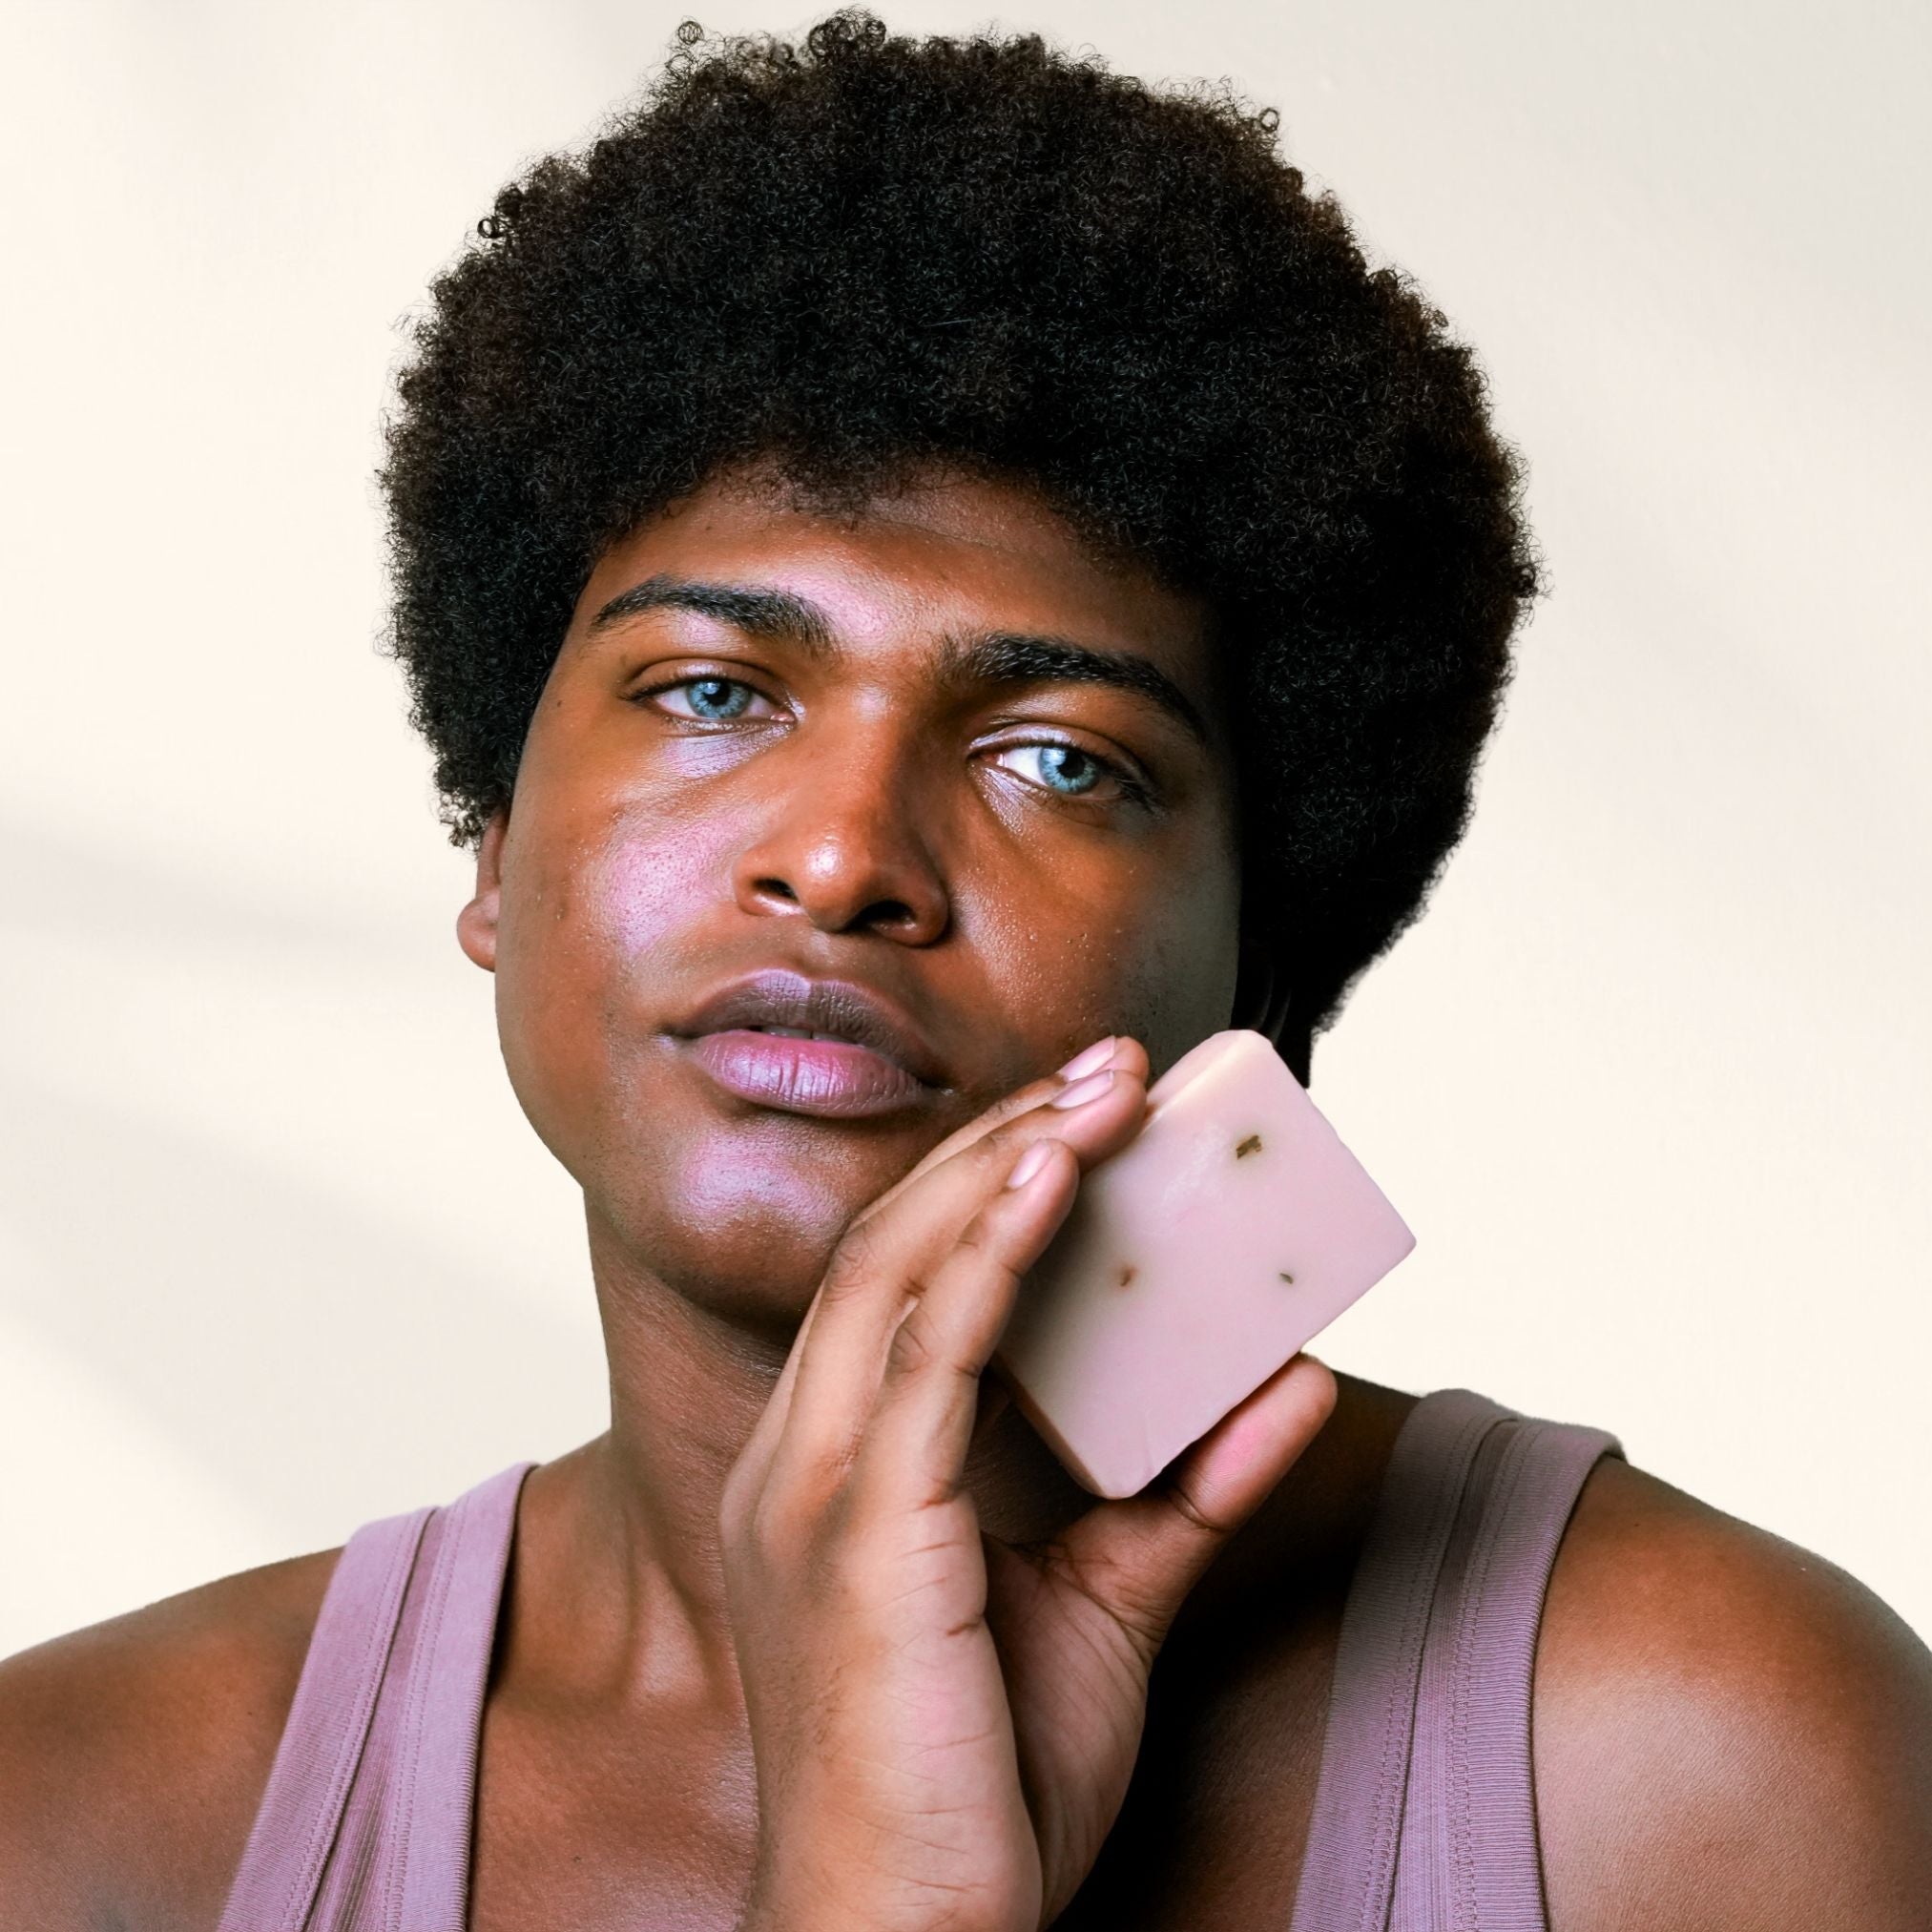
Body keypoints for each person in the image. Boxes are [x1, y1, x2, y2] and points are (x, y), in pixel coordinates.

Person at [2, 13, 1927, 1929]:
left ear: (1264, 972)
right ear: (496, 845)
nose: (841, 855)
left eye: (1060, 759)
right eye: (709, 691)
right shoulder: (83, 1818)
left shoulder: (1707, 1757)